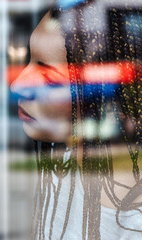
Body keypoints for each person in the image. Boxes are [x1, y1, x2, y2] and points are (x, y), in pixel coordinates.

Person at [11, 0, 142, 239]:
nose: (17, 84)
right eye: (29, 61)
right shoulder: (64, 168)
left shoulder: (134, 222)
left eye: (49, 80)